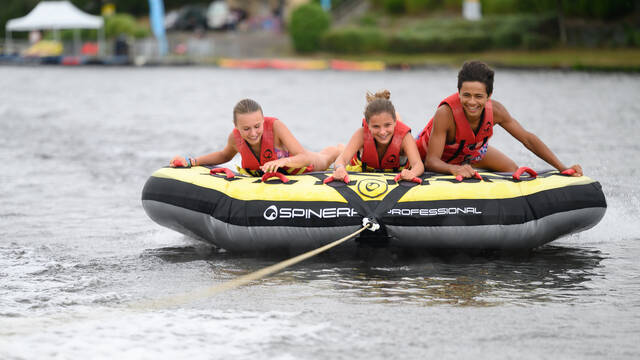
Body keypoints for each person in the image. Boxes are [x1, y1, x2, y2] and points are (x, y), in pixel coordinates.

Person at [416, 61, 583, 179]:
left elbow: (528, 139)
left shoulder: (496, 111)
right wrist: (454, 169)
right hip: (430, 155)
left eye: (478, 96)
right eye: (466, 95)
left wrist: (562, 167)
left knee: (511, 169)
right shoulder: (445, 113)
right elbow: (431, 161)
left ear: (489, 96)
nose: (472, 102)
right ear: (458, 92)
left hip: (468, 153)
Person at [170, 98, 341, 175]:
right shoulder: (234, 137)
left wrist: (282, 162)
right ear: (236, 126)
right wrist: (192, 161)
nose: (253, 133)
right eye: (246, 129)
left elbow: (302, 156)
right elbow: (224, 155)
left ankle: (340, 149)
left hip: (305, 164)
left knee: (325, 157)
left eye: (257, 126)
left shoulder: (276, 127)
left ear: (263, 120)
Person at [331, 90, 424, 182]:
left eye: (387, 125)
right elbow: (342, 159)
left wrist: (412, 173)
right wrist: (340, 168)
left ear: (395, 122)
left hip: (396, 170)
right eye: (376, 126)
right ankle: (337, 149)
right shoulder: (361, 134)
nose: (382, 132)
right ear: (368, 125)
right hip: (360, 167)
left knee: (341, 150)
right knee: (337, 153)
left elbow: (418, 164)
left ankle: (340, 148)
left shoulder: (405, 137)